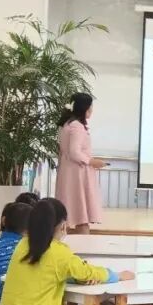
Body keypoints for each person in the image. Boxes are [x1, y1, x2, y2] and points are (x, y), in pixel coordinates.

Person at [0, 198, 134, 305]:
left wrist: (74, 278)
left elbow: (49, 272)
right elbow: (88, 272)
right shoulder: (59, 253)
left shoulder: (22, 245)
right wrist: (118, 275)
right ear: (63, 226)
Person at [55, 92, 106, 234]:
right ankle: (83, 244)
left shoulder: (67, 124)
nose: (92, 110)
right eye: (90, 106)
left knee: (73, 214)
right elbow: (74, 152)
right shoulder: (76, 126)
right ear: (85, 108)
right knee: (81, 217)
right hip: (77, 174)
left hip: (70, 172)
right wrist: (91, 161)